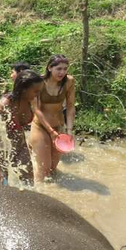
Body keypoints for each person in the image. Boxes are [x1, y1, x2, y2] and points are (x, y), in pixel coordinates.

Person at [0, 70, 46, 186]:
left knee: (28, 184)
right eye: (36, 91)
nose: (38, 94)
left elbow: (39, 117)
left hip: (19, 144)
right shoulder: (5, 105)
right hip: (0, 146)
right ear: (24, 89)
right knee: (0, 186)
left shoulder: (32, 101)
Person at [29, 54, 76, 183]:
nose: (62, 72)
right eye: (59, 69)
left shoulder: (69, 82)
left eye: (65, 69)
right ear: (50, 68)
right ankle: (37, 194)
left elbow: (71, 107)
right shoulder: (38, 83)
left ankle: (54, 194)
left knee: (53, 169)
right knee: (43, 170)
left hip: (59, 127)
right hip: (41, 127)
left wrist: (69, 131)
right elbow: (36, 110)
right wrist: (50, 131)